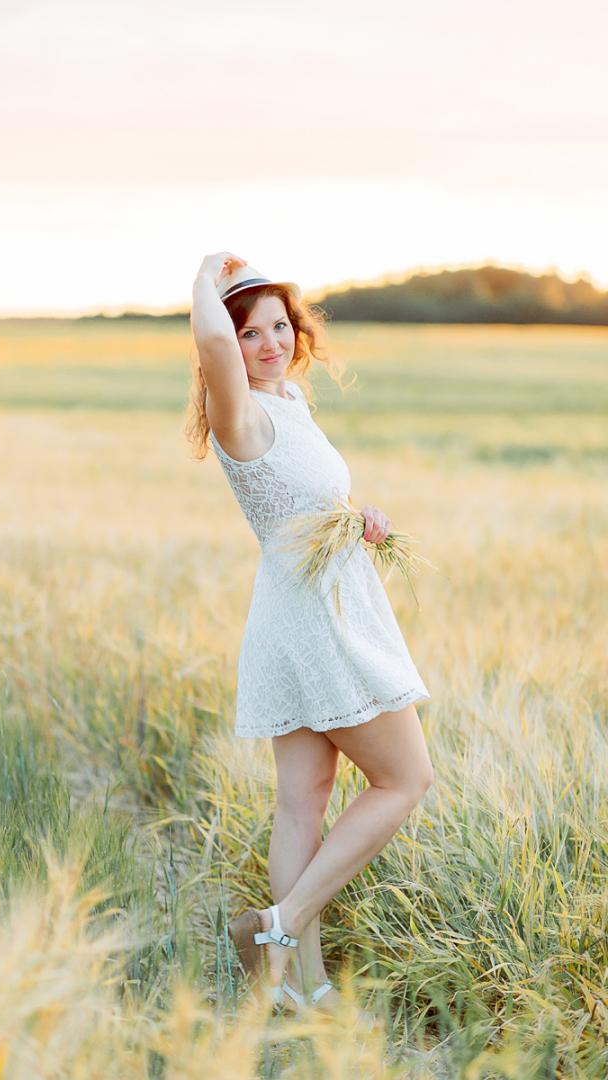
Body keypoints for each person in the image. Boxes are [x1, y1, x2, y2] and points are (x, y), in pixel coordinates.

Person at [186, 252, 433, 1012]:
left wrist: (358, 518)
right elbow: (214, 347)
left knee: (304, 799)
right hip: (317, 624)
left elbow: (302, 501)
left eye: (280, 326)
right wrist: (202, 276)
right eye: (248, 332)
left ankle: (302, 984)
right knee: (406, 778)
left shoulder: (288, 403)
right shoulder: (242, 413)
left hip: (305, 607)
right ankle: (279, 925)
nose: (268, 344)